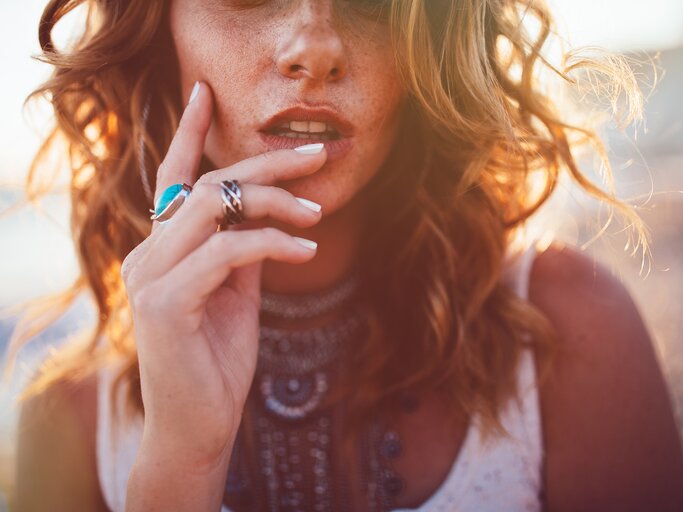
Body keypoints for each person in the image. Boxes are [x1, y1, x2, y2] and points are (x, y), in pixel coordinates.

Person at [7, 0, 683, 510]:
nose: (316, 47)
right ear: (160, 35)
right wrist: (182, 461)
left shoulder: (567, 333)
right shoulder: (68, 424)